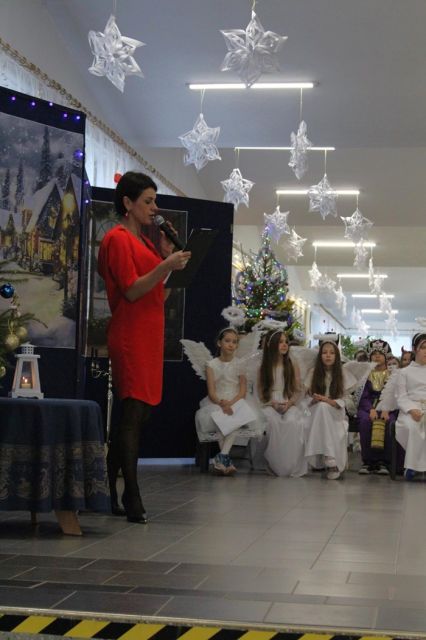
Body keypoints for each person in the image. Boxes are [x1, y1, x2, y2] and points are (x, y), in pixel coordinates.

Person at [97, 171, 191, 522]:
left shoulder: (148, 244)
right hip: (130, 334)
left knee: (139, 414)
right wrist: (165, 265)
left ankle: (107, 486)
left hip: (150, 335)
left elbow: (157, 295)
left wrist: (168, 263)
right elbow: (132, 290)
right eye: (148, 201)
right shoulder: (117, 239)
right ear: (128, 203)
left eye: (155, 201)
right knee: (133, 414)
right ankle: (131, 494)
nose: (154, 208)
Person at [195, 327, 261, 475]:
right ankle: (225, 460)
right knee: (221, 417)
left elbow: (242, 391)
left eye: (234, 342)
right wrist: (222, 403)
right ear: (219, 343)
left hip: (236, 400)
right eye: (227, 341)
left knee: (236, 415)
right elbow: (211, 392)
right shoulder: (211, 364)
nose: (231, 344)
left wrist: (231, 403)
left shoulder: (240, 364)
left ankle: (222, 457)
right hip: (217, 401)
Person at [256, 329, 307, 477]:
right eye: (280, 342)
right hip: (269, 403)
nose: (284, 345)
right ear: (272, 344)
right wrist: (271, 403)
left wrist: (290, 403)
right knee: (273, 422)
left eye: (286, 342)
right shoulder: (263, 367)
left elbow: (297, 390)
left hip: (288, 401)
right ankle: (274, 463)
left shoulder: (292, 364)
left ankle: (289, 464)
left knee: (292, 422)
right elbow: (260, 392)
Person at [304, 338, 348, 480]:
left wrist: (328, 401)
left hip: (335, 412)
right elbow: (305, 399)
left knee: (324, 407)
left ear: (337, 356)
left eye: (332, 353)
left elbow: (347, 401)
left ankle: (328, 457)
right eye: (324, 353)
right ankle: (330, 459)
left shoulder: (342, 374)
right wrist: (315, 400)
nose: (328, 355)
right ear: (320, 355)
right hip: (314, 411)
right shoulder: (313, 373)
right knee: (321, 408)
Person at [357, 340, 396, 476]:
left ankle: (384, 462)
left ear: (386, 356)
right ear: (369, 356)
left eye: (380, 353)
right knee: (365, 421)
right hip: (367, 407)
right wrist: (370, 409)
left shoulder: (393, 374)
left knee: (389, 422)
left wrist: (386, 409)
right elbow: (363, 396)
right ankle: (368, 461)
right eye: (374, 354)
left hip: (388, 407)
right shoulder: (365, 374)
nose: (377, 356)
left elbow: (395, 394)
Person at [395, 333, 426, 479]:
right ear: (415, 349)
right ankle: (412, 467)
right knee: (412, 426)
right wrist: (412, 410)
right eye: (423, 347)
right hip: (409, 410)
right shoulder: (404, 372)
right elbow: (401, 396)